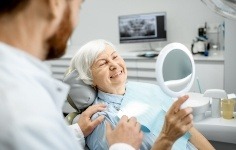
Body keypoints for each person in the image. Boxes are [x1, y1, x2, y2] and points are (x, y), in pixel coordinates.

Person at [0, 0, 142, 150]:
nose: (76, 20)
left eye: (114, 57)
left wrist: (77, 130)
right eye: (78, 6)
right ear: (55, 4)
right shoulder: (21, 104)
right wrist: (123, 146)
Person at [68, 39, 215, 150]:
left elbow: (188, 130)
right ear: (90, 78)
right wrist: (167, 137)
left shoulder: (148, 88)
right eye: (102, 63)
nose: (114, 65)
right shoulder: (100, 120)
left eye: (115, 57)